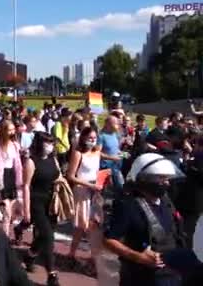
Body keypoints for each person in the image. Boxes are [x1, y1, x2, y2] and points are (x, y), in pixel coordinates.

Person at [104, 153, 187, 286]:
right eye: (161, 178)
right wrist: (138, 257)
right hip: (140, 277)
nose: (166, 183)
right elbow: (110, 240)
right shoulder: (128, 205)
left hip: (172, 274)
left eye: (167, 178)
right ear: (145, 178)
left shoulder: (166, 201)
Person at [20, 132, 61, 286]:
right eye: (46, 143)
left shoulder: (53, 159)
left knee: (44, 236)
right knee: (49, 237)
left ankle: (30, 255)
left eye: (51, 142)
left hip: (51, 202)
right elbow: (26, 186)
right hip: (36, 202)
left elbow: (58, 176)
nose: (50, 146)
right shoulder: (31, 162)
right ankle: (52, 274)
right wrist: (26, 210)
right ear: (39, 144)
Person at [66, 126, 103, 259]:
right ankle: (80, 255)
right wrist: (88, 185)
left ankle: (74, 253)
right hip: (82, 191)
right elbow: (71, 176)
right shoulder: (78, 154)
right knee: (83, 225)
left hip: (95, 191)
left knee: (92, 224)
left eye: (94, 138)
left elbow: (97, 171)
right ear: (83, 138)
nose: (93, 140)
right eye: (90, 138)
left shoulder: (97, 152)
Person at [0, 120, 23, 237]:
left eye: (13, 129)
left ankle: (7, 234)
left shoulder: (15, 145)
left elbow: (17, 164)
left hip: (12, 176)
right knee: (5, 210)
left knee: (11, 211)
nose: (12, 132)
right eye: (9, 130)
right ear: (3, 131)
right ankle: (3, 237)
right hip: (0, 178)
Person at [98, 115, 125, 190]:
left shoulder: (114, 134)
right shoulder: (101, 136)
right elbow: (97, 153)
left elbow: (115, 149)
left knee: (120, 187)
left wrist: (124, 154)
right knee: (105, 191)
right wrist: (112, 158)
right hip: (106, 168)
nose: (118, 125)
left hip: (116, 167)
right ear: (108, 124)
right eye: (116, 123)